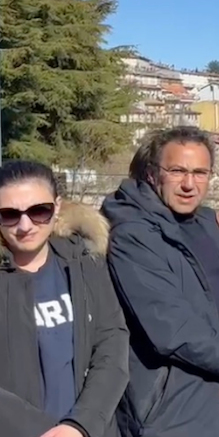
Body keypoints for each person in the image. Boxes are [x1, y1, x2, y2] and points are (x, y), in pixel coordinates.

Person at [102, 126, 219, 437]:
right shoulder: (131, 233)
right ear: (152, 173)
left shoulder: (205, 221)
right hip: (169, 405)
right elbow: (170, 326)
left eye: (200, 172)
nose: (190, 184)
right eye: (177, 171)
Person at [0, 160, 129, 437]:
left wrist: (81, 425)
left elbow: (111, 344)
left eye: (39, 211)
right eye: (9, 214)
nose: (25, 225)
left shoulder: (85, 262)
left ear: (57, 207)